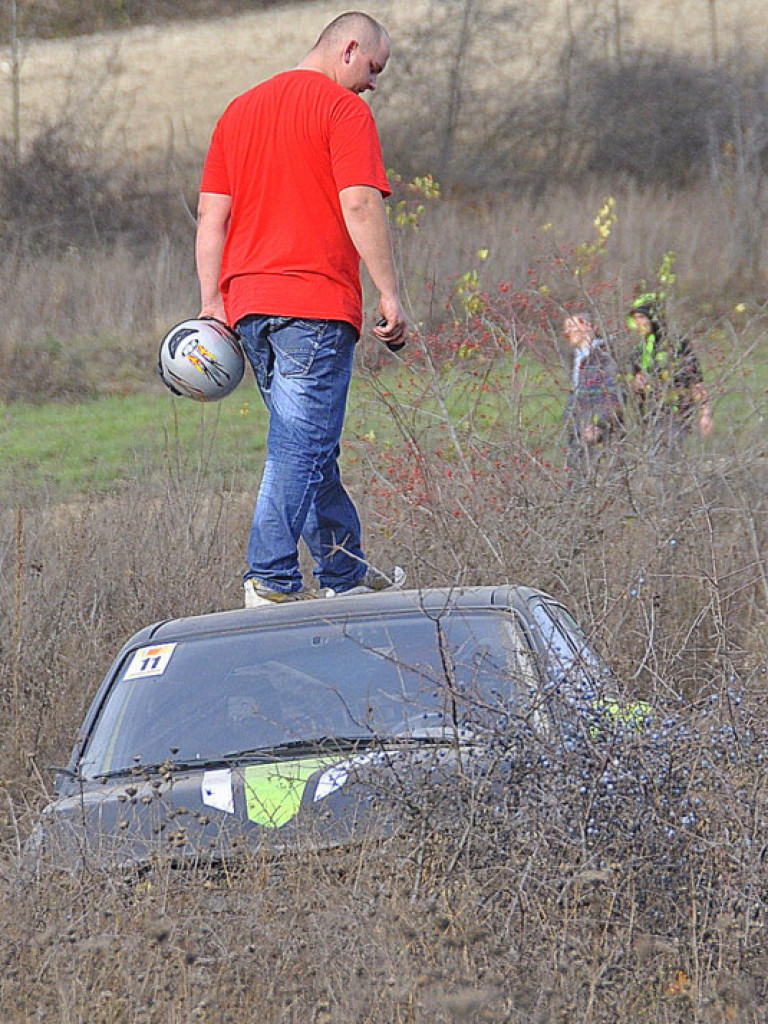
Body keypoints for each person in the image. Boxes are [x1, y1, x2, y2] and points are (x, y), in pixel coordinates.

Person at [195, 11, 408, 608]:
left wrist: (214, 303)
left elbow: (213, 217)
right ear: (347, 50)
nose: (372, 83)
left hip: (249, 311)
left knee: (311, 444)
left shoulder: (239, 110)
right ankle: (269, 578)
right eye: (372, 67)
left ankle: (342, 572)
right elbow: (361, 203)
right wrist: (390, 292)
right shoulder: (343, 111)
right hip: (313, 306)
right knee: (299, 446)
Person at [625, 294, 713, 454]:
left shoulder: (677, 345)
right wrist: (636, 384)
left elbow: (696, 381)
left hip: (676, 413)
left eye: (642, 317)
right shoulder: (638, 351)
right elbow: (633, 384)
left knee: (668, 458)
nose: (639, 322)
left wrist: (705, 413)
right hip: (648, 416)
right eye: (636, 318)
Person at [562, 315, 624, 480]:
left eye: (571, 326)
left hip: (600, 431)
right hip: (577, 428)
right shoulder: (575, 359)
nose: (566, 332)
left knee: (604, 477)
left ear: (588, 327)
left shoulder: (604, 357)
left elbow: (614, 395)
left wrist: (599, 424)